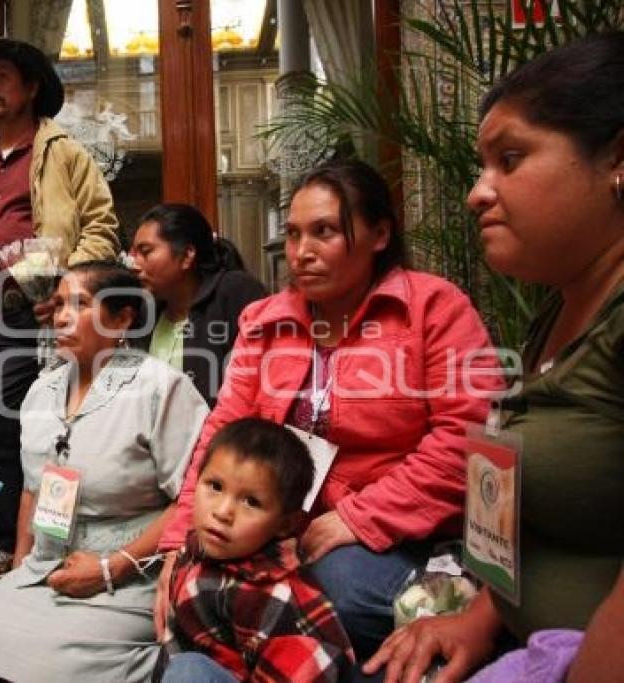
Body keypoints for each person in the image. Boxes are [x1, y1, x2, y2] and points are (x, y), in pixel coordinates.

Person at [156, 158, 503, 661]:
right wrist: (180, 541)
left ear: (379, 233)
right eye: (294, 234)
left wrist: (356, 518)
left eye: (324, 232)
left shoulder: (433, 308)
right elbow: (225, 432)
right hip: (279, 526)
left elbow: (467, 441)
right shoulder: (264, 320)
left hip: (402, 533)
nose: (301, 253)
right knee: (195, 591)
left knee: (332, 590)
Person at [364, 31, 624, 683]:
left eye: (510, 159)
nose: (477, 192)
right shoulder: (555, 312)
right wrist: (480, 622)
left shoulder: (433, 307)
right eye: (482, 167)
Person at [0, 262, 209, 682]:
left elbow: (193, 499)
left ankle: (161, 661)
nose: (61, 317)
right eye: (57, 305)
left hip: (132, 572)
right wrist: (19, 570)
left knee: (53, 663)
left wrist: (113, 566)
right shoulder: (41, 390)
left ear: (123, 318)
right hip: (49, 564)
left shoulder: (161, 387)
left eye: (79, 304)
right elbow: (33, 491)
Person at [0, 38, 120, 552]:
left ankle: (58, 545)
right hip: (4, 316)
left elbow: (101, 225)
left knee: (61, 426)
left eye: (1, 76)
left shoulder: (64, 152)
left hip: (57, 311)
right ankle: (13, 540)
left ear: (30, 88)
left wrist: (70, 287)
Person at [158, 417, 353, 683]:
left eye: (251, 502)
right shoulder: (199, 548)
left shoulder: (276, 599)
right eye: (215, 486)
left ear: (286, 524)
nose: (222, 512)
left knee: (188, 672)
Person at [130, 203, 266, 406]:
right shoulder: (146, 310)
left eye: (146, 252)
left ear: (186, 255)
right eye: (134, 254)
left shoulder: (235, 292)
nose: (135, 264)